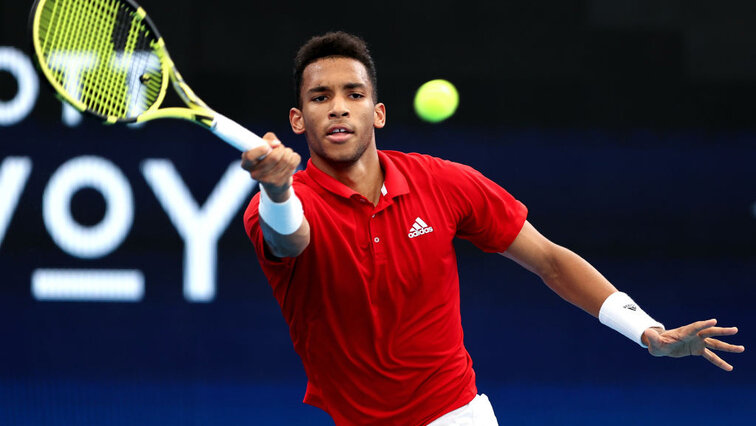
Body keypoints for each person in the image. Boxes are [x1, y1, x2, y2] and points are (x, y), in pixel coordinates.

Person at [240, 32, 744, 426]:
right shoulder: (284, 203)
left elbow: (548, 259)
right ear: (298, 120)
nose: (338, 106)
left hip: (454, 414)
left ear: (379, 112)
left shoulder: (442, 182)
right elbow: (290, 240)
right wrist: (278, 189)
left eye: (353, 93)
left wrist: (647, 332)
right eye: (320, 97)